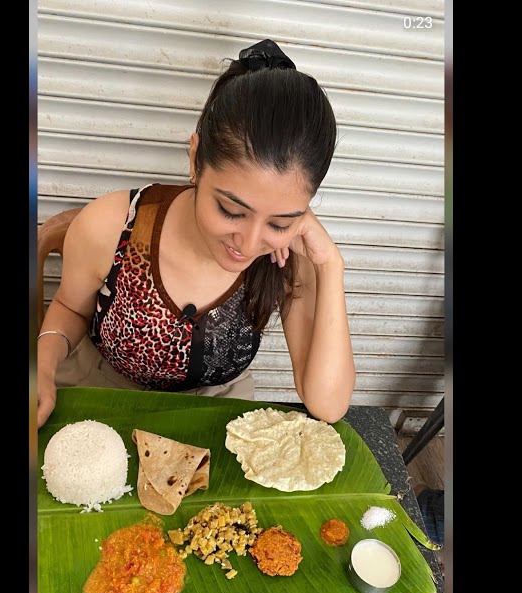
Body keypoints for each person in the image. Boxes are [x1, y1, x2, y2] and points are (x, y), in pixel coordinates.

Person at [36, 39, 355, 427]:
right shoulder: (111, 225)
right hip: (101, 392)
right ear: (195, 158)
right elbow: (70, 308)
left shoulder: (289, 257)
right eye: (231, 210)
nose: (250, 243)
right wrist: (43, 367)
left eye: (279, 222)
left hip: (214, 413)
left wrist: (331, 265)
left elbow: (329, 406)